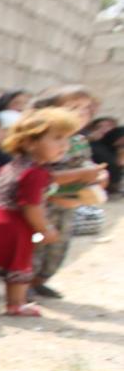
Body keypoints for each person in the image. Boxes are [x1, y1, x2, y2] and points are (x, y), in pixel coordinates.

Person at [0, 108, 82, 316]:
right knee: (19, 266)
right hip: (14, 224)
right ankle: (16, 304)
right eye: (57, 139)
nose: (64, 145)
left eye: (66, 139)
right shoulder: (36, 172)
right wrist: (45, 229)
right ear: (30, 142)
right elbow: (31, 207)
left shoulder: (11, 166)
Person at [28, 86, 109, 299]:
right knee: (36, 245)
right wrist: (81, 173)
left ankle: (41, 281)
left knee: (58, 246)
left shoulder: (79, 141)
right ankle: (24, 283)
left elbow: (86, 163)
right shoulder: (41, 139)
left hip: (69, 203)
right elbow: (42, 174)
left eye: (85, 108)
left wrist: (98, 176)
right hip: (44, 203)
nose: (81, 113)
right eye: (73, 108)